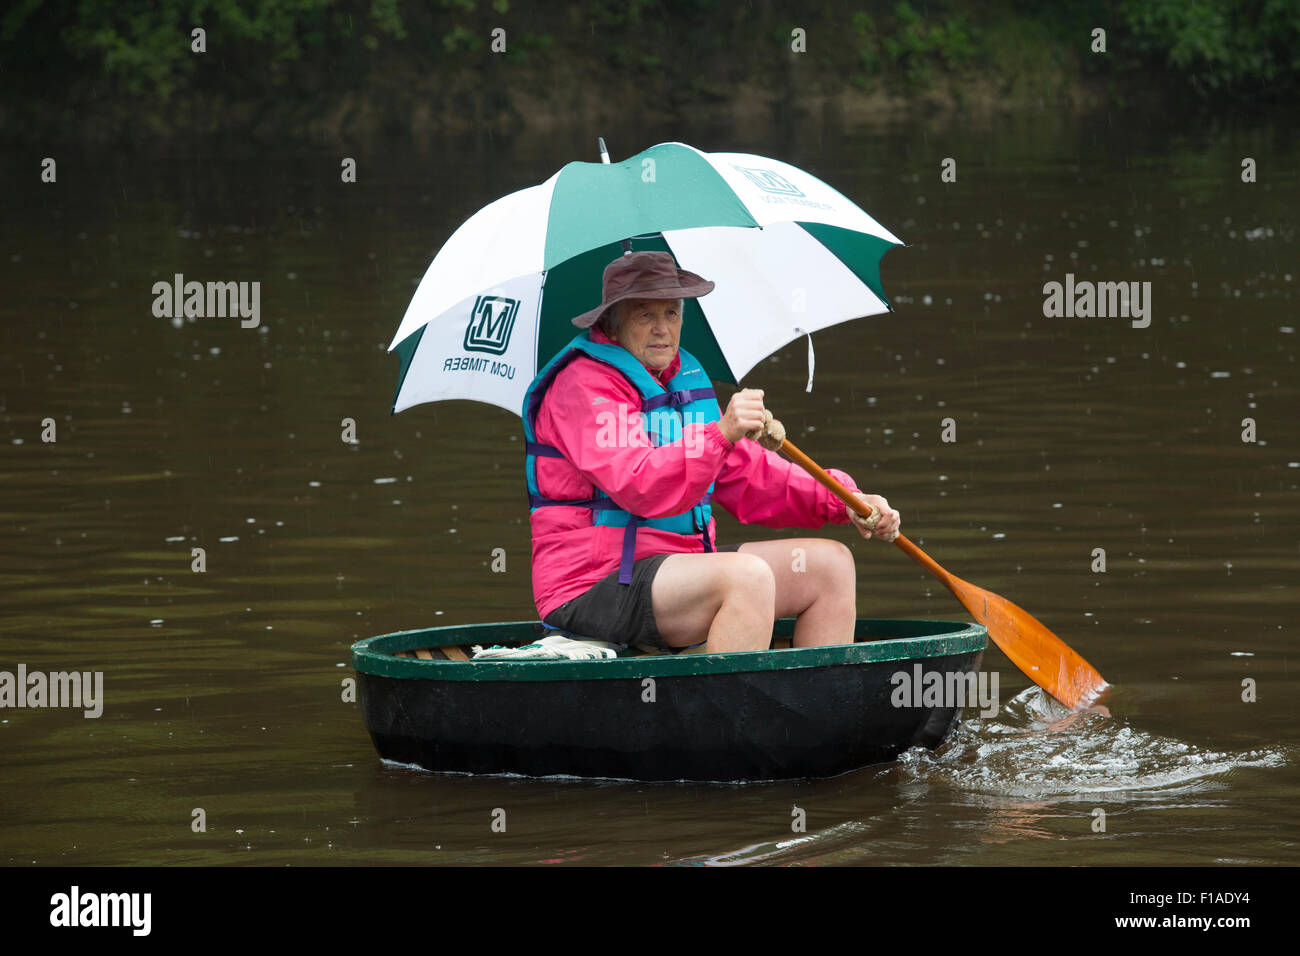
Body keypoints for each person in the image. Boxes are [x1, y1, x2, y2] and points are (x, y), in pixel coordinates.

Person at [522, 251, 900, 653]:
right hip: (593, 584)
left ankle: (820, 709)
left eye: (671, 312)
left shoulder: (682, 377)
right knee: (746, 577)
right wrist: (721, 434)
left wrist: (844, 500)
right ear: (611, 322)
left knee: (830, 567)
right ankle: (728, 712)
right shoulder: (581, 385)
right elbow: (639, 483)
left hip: (679, 572)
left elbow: (750, 477)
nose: (662, 329)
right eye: (644, 315)